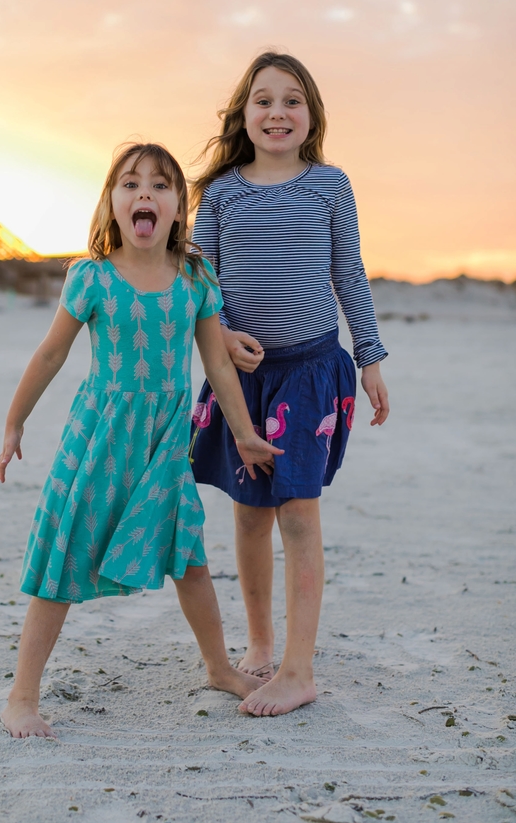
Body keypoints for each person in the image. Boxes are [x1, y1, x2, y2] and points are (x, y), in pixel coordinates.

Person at [0, 142, 281, 738]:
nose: (144, 194)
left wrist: (245, 434)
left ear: (179, 207)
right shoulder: (92, 277)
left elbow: (218, 366)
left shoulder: (196, 278)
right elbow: (52, 353)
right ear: (112, 203)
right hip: (100, 439)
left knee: (190, 557)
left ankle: (218, 666)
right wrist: (15, 420)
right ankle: (22, 695)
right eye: (130, 184)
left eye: (160, 185)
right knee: (64, 560)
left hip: (165, 443)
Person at [189, 51, 390, 717]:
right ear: (243, 115)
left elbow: (350, 274)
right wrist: (217, 333)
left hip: (310, 375)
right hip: (240, 381)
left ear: (312, 115)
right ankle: (262, 642)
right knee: (248, 515)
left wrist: (370, 356)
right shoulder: (220, 193)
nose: (278, 111)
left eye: (292, 100)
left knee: (298, 513)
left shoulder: (330, 186)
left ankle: (300, 668)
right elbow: (200, 282)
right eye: (264, 99)